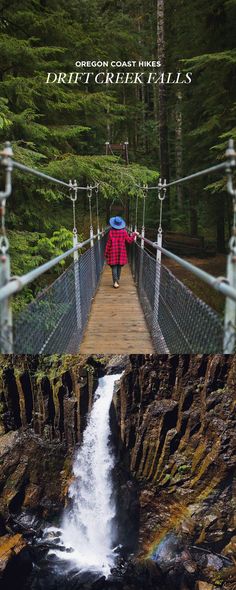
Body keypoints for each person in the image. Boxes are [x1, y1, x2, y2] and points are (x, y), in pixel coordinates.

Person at [104, 216, 139, 288]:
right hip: (121, 252)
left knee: (114, 267)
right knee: (119, 266)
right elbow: (129, 240)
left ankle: (115, 282)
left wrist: (106, 253)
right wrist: (134, 234)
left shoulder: (111, 232)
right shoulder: (124, 231)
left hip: (112, 252)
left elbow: (108, 244)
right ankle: (117, 280)